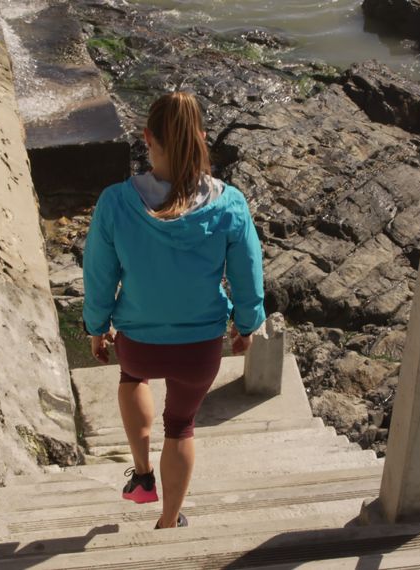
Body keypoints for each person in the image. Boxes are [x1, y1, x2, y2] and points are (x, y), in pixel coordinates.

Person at [81, 91, 266, 529]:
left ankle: (142, 475)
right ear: (202, 138)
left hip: (139, 342)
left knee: (131, 377)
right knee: (181, 426)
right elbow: (247, 276)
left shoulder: (115, 202)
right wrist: (246, 325)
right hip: (199, 348)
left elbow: (99, 275)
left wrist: (96, 326)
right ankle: (168, 521)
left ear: (147, 137)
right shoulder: (230, 204)